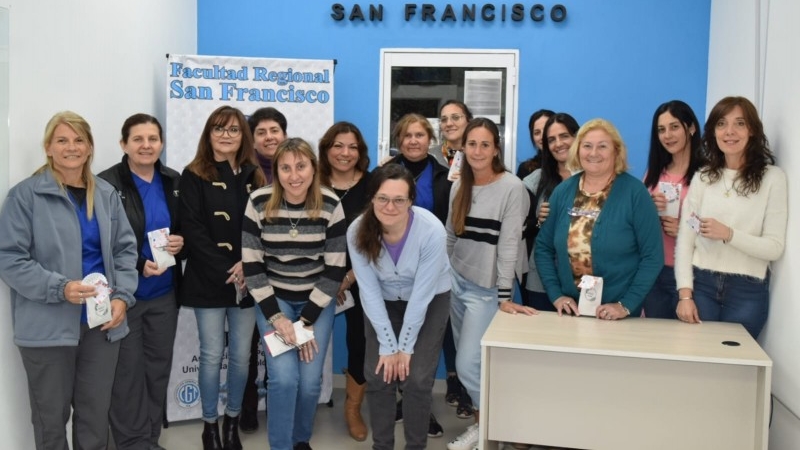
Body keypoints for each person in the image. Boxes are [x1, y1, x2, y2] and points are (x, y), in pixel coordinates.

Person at [0, 111, 138, 450]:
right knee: (51, 420)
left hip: (101, 327)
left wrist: (122, 297)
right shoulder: (25, 196)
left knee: (94, 417)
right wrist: (59, 288)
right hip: (47, 331)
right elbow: (10, 259)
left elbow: (124, 251)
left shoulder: (106, 195)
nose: (71, 147)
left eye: (79, 140)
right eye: (62, 140)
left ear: (90, 147)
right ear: (48, 147)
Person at [242, 138, 347, 450]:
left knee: (310, 382)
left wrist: (306, 320)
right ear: (276, 171)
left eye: (301, 166)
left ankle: (301, 438)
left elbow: (335, 268)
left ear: (314, 169)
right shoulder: (259, 202)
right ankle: (280, 446)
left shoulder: (331, 204)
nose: (294, 175)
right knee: (284, 379)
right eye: (285, 168)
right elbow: (252, 266)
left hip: (317, 302)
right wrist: (278, 318)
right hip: (274, 301)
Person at [446, 118, 537, 450]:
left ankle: (495, 428)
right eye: (472, 144)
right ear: (463, 147)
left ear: (496, 148)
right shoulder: (459, 185)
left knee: (466, 364)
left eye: (485, 144)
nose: (478, 151)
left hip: (486, 291)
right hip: (457, 282)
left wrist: (503, 295)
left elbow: (510, 245)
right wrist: (445, 279)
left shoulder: (512, 188)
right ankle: (486, 430)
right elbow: (450, 236)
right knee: (476, 364)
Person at [179, 105, 266, 450]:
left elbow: (264, 225)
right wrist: (227, 269)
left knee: (242, 357)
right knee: (213, 354)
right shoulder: (194, 173)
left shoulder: (254, 173)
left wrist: (248, 265)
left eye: (233, 130)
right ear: (208, 133)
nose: (226, 135)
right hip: (208, 279)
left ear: (242, 135)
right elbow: (193, 230)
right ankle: (209, 425)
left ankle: (232, 421)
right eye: (219, 129)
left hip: (249, 278)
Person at [347, 164, 451, 450]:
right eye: (382, 198)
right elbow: (367, 291)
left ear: (411, 201)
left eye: (399, 200)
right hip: (382, 301)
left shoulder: (431, 231)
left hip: (430, 300)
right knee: (379, 375)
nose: (389, 206)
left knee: (416, 380)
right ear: (371, 198)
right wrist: (388, 347)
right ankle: (382, 446)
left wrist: (404, 347)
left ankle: (415, 446)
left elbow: (422, 294)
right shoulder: (357, 231)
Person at [99, 113, 184, 450]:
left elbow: (185, 228)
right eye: (138, 139)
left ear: (161, 143)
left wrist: (182, 242)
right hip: (126, 296)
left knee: (157, 370)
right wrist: (137, 263)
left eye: (153, 139)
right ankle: (132, 443)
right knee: (127, 376)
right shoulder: (106, 184)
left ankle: (150, 438)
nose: (146, 145)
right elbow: (101, 242)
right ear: (124, 144)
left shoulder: (173, 181)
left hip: (164, 296)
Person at [674, 96, 787, 338]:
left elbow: (774, 248)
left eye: (740, 124)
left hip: (747, 290)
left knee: (736, 368)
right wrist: (685, 295)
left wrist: (729, 234)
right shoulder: (704, 177)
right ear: (713, 131)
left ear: (753, 131)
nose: (730, 132)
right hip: (701, 284)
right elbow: (685, 240)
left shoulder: (772, 178)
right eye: (722, 124)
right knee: (699, 362)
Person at [534, 118, 663, 321]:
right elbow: (542, 248)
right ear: (577, 151)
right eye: (587, 146)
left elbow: (653, 256)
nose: (593, 153)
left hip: (617, 315)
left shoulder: (635, 193)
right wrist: (556, 295)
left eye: (602, 146)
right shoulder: (563, 191)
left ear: (616, 152)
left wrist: (626, 304)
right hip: (571, 312)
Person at [386, 113, 450, 432]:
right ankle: (403, 399)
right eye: (407, 135)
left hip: (431, 273)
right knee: (398, 342)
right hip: (393, 274)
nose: (413, 141)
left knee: (423, 350)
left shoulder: (445, 176)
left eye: (420, 135)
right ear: (399, 140)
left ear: (430, 140)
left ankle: (420, 409)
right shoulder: (383, 174)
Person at [317, 121, 372, 441]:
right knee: (307, 342)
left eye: (352, 147)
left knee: (360, 342)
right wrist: (328, 279)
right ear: (326, 149)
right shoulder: (311, 183)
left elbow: (376, 237)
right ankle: (303, 403)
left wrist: (349, 277)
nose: (345, 153)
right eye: (338, 145)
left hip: (361, 278)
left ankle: (352, 408)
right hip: (314, 278)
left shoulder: (371, 185)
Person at [239, 106, 289, 433]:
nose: (269, 137)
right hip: (251, 273)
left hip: (286, 279)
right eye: (262, 132)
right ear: (253, 138)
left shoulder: (298, 170)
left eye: (275, 130)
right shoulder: (242, 174)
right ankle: (246, 406)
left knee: (280, 345)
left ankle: (277, 405)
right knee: (247, 346)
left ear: (284, 134)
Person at [642, 101, 705, 319]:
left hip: (692, 275)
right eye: (661, 129)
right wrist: (647, 209)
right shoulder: (654, 173)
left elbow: (716, 223)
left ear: (691, 128)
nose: (667, 135)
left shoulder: (707, 175)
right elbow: (637, 223)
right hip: (654, 271)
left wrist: (686, 230)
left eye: (674, 127)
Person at [522, 113, 579, 311]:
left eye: (564, 136)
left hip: (583, 279)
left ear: (577, 137)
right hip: (541, 280)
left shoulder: (594, 176)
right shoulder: (534, 181)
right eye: (551, 140)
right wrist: (539, 221)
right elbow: (522, 230)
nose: (558, 144)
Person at [516, 109, 555, 180]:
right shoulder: (526, 169)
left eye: (546, 130)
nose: (542, 137)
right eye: (537, 133)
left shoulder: (574, 165)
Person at [434, 99, 473, 167]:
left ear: (468, 121)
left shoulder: (480, 154)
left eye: (455, 117)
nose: (449, 124)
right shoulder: (430, 156)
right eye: (444, 119)